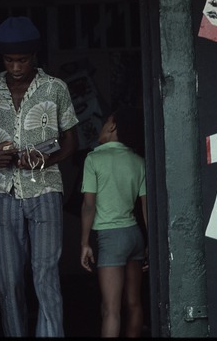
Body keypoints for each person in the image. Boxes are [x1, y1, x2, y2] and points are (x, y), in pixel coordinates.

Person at [0, 16, 79, 337]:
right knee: (8, 278)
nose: (16, 67)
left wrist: (48, 158)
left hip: (45, 190)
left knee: (44, 273)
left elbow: (72, 142)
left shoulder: (55, 88)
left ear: (34, 56)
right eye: (9, 60)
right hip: (4, 192)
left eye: (22, 60)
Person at [80, 107, 147, 338]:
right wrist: (147, 243)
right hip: (134, 236)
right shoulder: (138, 161)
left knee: (111, 310)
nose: (100, 127)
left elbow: (89, 205)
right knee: (134, 304)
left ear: (112, 126)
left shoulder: (94, 159)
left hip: (110, 238)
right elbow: (145, 208)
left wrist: (84, 242)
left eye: (104, 122)